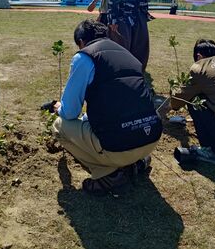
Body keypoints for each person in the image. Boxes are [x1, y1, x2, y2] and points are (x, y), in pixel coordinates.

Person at [52, 19, 162, 194]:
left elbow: (70, 112)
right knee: (95, 122)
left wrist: (59, 107)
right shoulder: (128, 55)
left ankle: (110, 174)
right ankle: (134, 164)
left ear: (81, 42)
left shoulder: (84, 57)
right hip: (150, 140)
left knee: (59, 126)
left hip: (118, 147)